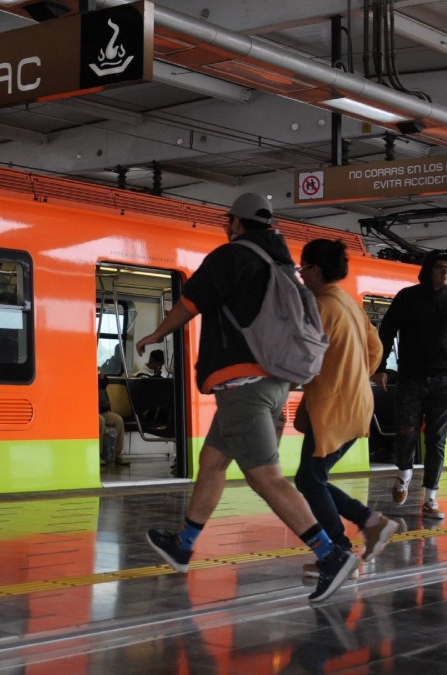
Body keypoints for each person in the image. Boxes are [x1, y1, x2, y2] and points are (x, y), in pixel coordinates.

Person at [136, 193, 357, 603]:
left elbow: (190, 301)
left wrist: (155, 335)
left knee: (265, 477)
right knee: (213, 461)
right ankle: (183, 543)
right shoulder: (281, 265)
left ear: (235, 223)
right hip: (273, 384)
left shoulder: (231, 257)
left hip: (244, 389)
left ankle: (331, 555)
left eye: (228, 222)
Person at [294, 239, 403, 577]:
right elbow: (376, 349)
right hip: (356, 402)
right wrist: (353, 375)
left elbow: (304, 360)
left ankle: (341, 550)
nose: (301, 276)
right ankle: (371, 524)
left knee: (310, 480)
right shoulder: (348, 303)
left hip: (332, 407)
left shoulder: (321, 306)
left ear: (313, 269)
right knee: (312, 478)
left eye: (302, 269)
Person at [372, 249, 447, 520]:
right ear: (428, 269)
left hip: (444, 380)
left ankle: (431, 498)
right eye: (441, 267)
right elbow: (386, 332)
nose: (446, 272)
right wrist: (381, 367)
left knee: (437, 440)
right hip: (410, 378)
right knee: (406, 430)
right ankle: (404, 474)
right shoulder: (407, 297)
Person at [99, 375, 126, 466]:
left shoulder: (99, 379)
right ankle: (98, 455)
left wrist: (102, 377)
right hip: (89, 411)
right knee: (100, 420)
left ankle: (116, 455)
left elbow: (104, 383)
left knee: (118, 420)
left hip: (102, 410)